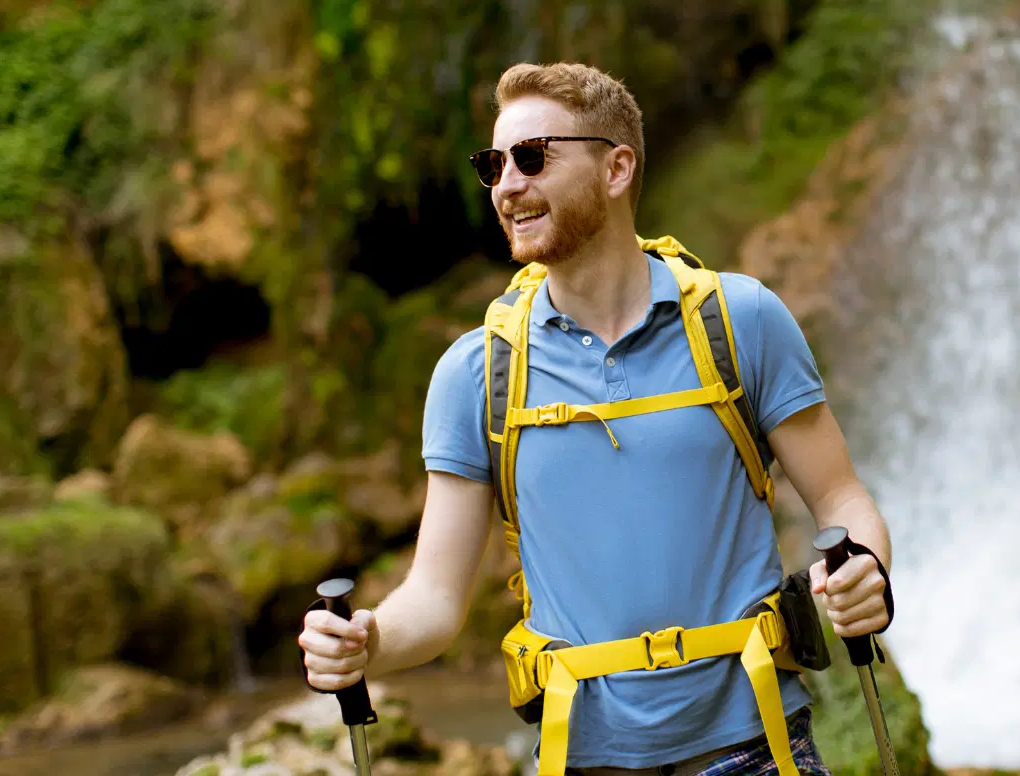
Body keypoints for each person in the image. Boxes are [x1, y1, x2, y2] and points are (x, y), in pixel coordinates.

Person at [298, 61, 894, 776]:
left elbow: (842, 500)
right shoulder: (476, 372)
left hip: (756, 746)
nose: (506, 186)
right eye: (494, 165)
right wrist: (366, 641)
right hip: (579, 758)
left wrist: (867, 570)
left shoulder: (741, 322)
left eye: (532, 157)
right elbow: (434, 597)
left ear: (616, 169)